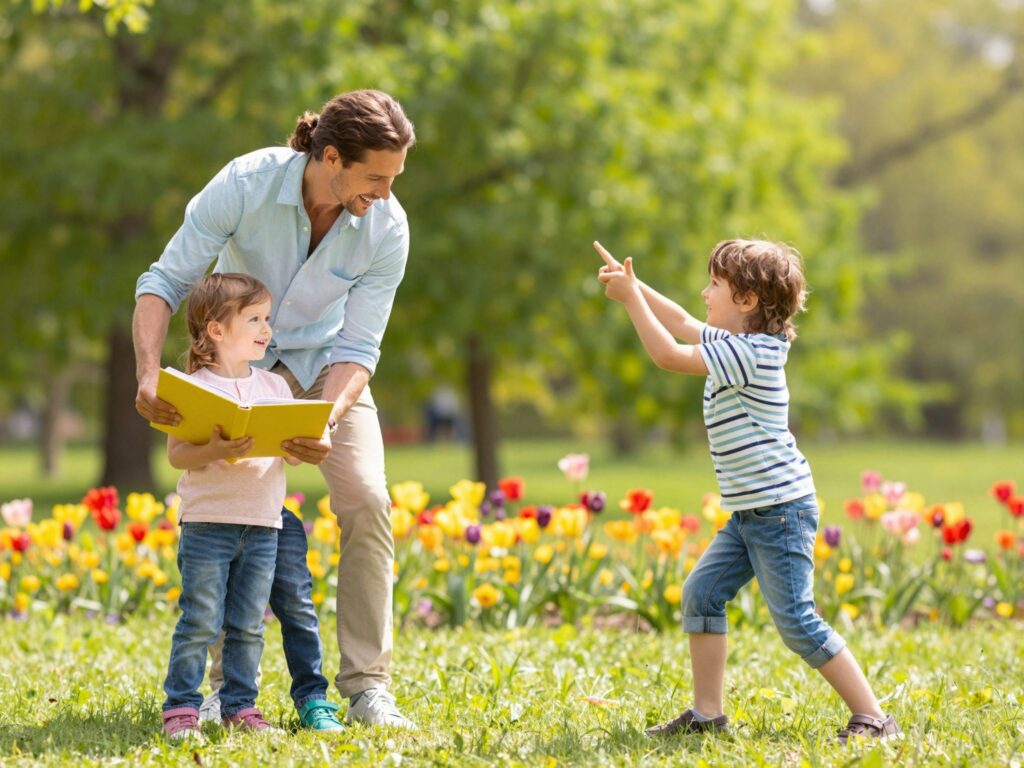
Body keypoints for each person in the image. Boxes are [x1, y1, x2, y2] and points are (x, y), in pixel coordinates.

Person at [134, 89, 417, 730]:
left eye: (396, 177)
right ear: (332, 157)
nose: (388, 192)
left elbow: (359, 344)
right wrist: (150, 373)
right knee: (229, 512)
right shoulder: (246, 184)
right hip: (241, 372)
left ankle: (368, 686)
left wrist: (329, 416)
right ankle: (218, 693)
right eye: (376, 177)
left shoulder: (387, 227)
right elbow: (164, 280)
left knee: (369, 499)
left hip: (329, 377)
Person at [595, 239, 901, 744]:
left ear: (747, 301)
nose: (704, 292)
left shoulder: (751, 353)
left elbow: (670, 354)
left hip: (780, 512)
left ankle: (874, 717)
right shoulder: (734, 342)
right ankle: (707, 715)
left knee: (798, 622)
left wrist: (630, 302)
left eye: (714, 284)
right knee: (702, 593)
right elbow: (680, 323)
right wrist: (636, 285)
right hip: (750, 513)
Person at [161, 273, 303, 740]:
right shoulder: (192, 388)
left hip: (263, 524)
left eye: (267, 318)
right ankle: (181, 708)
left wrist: (299, 447)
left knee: (246, 624)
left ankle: (239, 706)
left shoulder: (275, 389)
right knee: (201, 619)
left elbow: (285, 451)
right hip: (207, 525)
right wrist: (218, 450)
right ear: (216, 330)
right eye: (255, 319)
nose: (266, 329)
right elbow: (178, 455)